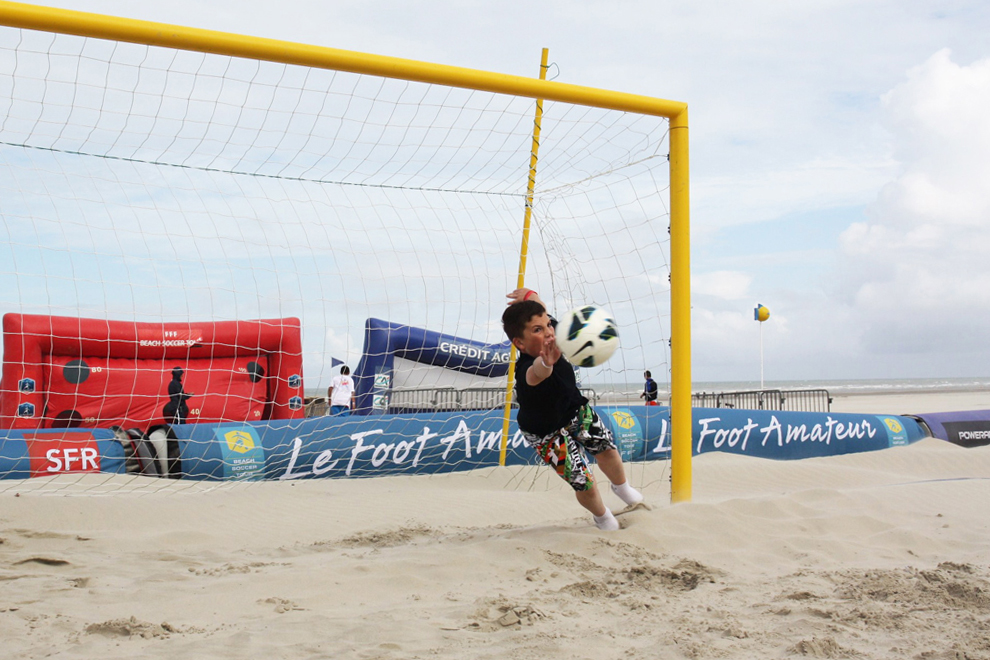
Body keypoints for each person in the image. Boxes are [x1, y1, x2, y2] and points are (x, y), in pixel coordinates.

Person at [502, 288, 643, 531]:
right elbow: (538, 372)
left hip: (575, 410)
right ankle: (602, 516)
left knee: (606, 449)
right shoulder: (527, 366)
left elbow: (541, 310)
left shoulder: (553, 333)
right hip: (545, 432)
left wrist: (531, 295)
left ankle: (622, 487)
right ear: (519, 343)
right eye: (537, 330)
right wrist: (547, 361)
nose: (547, 332)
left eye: (548, 326)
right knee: (583, 481)